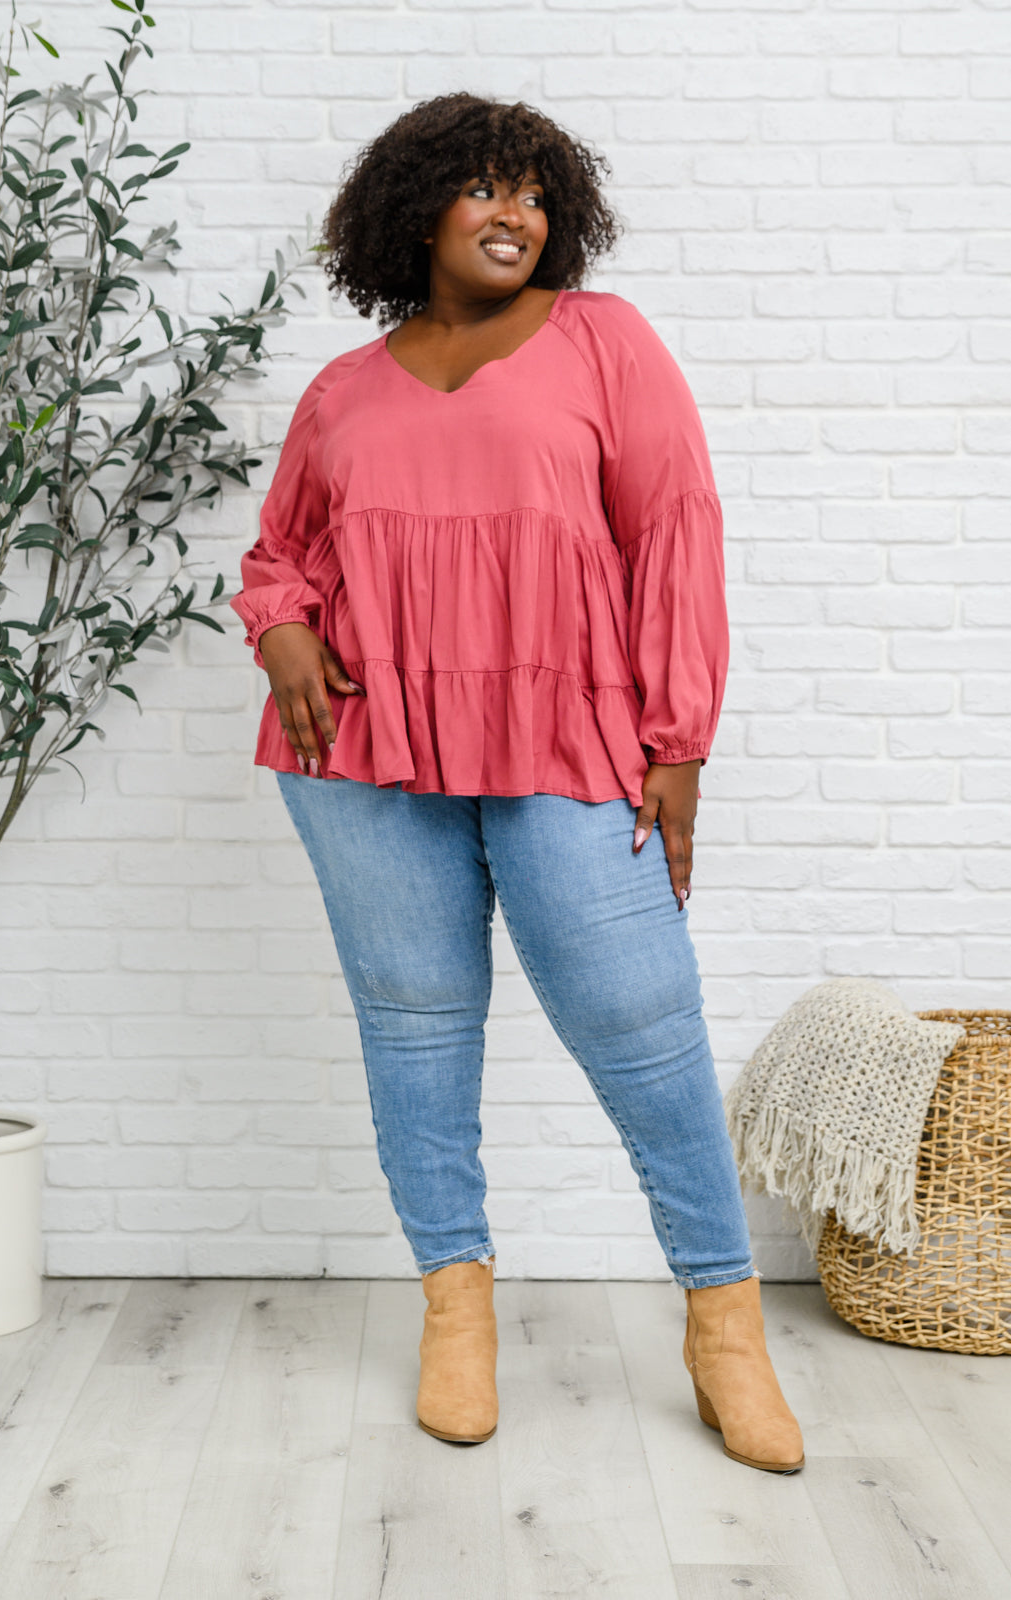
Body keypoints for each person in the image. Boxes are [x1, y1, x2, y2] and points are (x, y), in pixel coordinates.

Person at [231, 92, 804, 1473]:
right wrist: (283, 628)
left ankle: (724, 1326)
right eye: (484, 188)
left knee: (638, 1016)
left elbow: (674, 532)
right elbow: (279, 554)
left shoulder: (604, 341)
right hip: (362, 748)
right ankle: (456, 1310)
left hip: (566, 733)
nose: (515, 215)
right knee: (415, 1024)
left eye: (536, 195)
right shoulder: (343, 389)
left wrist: (678, 743)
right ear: (414, 208)